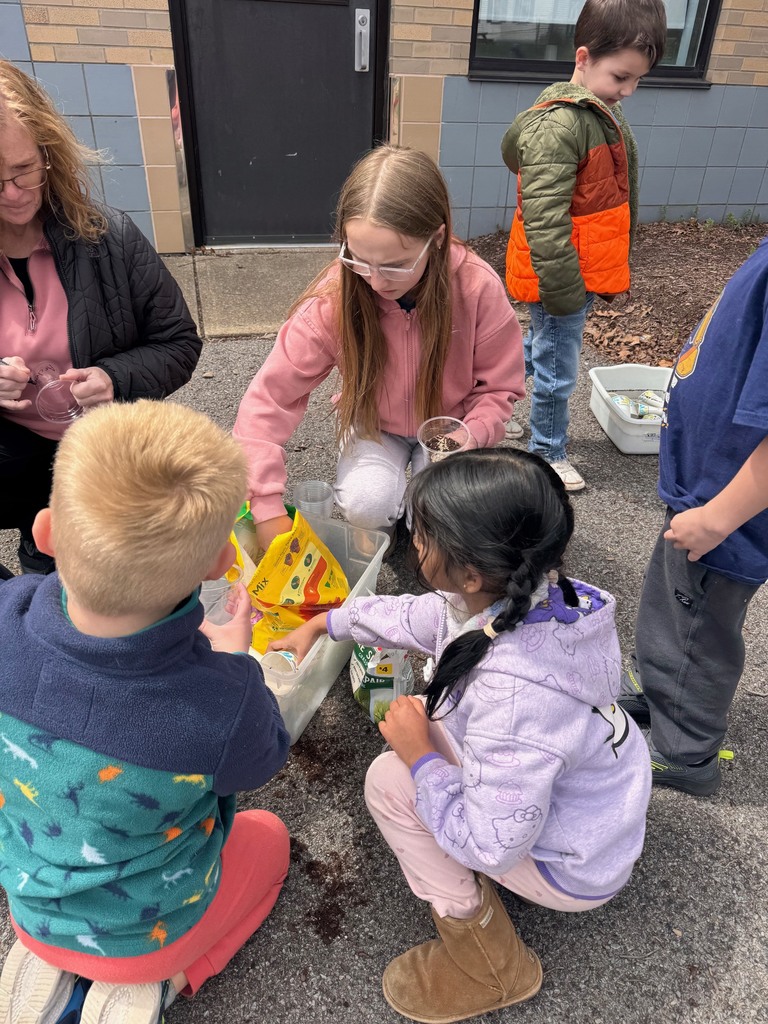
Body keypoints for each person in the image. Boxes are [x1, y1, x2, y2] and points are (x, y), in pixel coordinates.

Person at [272, 448, 651, 1023]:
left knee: (389, 779)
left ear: (472, 573)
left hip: (574, 866)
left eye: (421, 538)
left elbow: (492, 845)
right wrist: (329, 622)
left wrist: (421, 756)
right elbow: (424, 617)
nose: (413, 544)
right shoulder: (541, 598)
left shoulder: (515, 701)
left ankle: (491, 965)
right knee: (432, 714)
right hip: (597, 810)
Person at [0, 401, 290, 1024]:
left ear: (45, 533)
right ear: (219, 564)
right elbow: (263, 757)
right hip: (155, 931)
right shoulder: (222, 702)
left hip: (29, 905)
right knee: (268, 839)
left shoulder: (6, 620)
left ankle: (52, 959)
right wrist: (237, 664)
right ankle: (170, 978)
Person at [233, 144, 525, 553]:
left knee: (446, 511)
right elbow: (270, 398)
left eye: (395, 264)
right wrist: (264, 504)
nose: (375, 280)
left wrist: (471, 435)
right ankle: (389, 531)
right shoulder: (335, 295)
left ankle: (421, 522)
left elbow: (499, 387)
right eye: (358, 259)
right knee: (367, 503)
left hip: (448, 429)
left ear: (437, 239)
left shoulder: (476, 287)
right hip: (375, 425)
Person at [0, 60, 201, 574]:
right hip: (13, 455)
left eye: (23, 170)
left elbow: (179, 343)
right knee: (45, 561)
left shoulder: (109, 239)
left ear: (49, 153)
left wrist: (115, 377)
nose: (13, 194)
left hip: (102, 447)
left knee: (113, 568)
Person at [618, 240, 768, 797]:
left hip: (726, 514)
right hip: (705, 491)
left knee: (697, 627)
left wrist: (718, 519)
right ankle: (659, 692)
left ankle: (686, 751)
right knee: (672, 610)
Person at [501, 0, 667, 491]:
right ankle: (547, 452)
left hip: (577, 270)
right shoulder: (562, 124)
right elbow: (544, 219)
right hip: (562, 275)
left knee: (541, 350)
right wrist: (564, 289)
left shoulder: (597, 110)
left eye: (637, 80)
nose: (629, 90)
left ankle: (487, 393)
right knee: (558, 367)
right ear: (583, 57)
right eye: (621, 77)